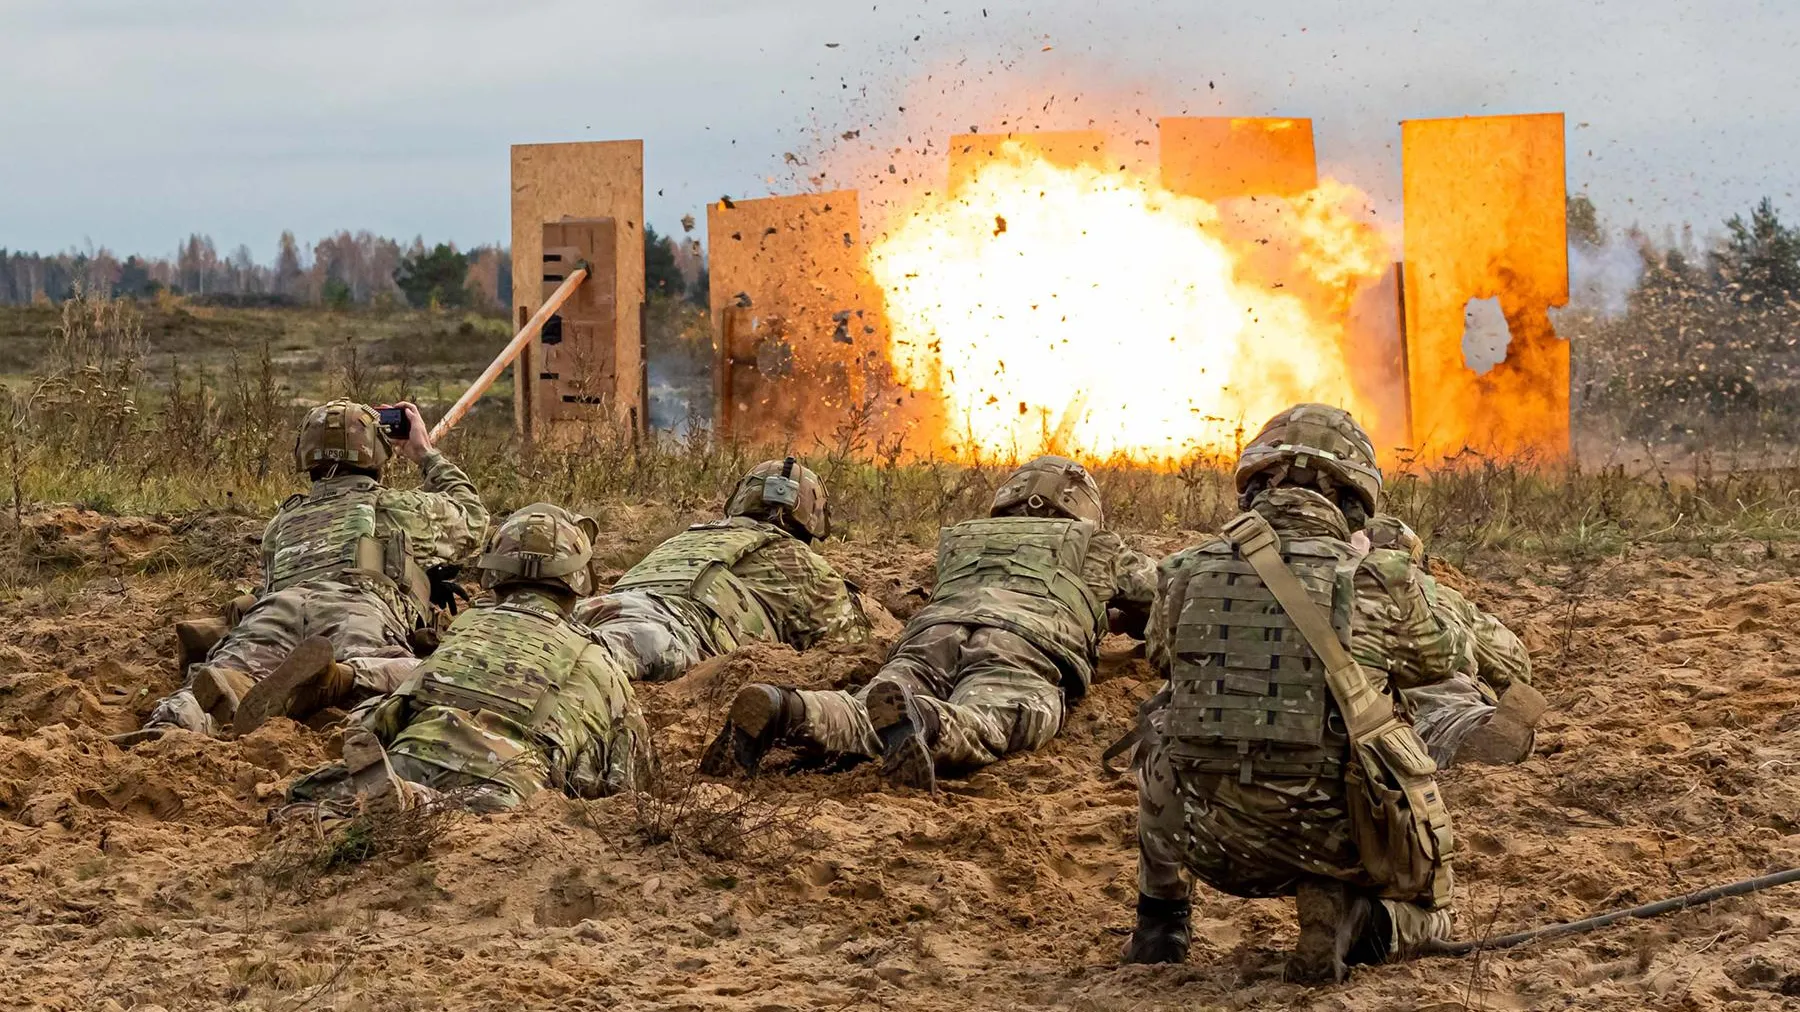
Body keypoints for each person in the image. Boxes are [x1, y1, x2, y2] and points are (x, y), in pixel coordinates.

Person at [1125, 404, 1465, 984]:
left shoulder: (1183, 570)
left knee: (1159, 725)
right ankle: (1361, 923)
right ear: (1355, 499)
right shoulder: (1378, 578)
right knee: (1433, 909)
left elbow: (1161, 655)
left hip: (1207, 844)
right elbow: (1445, 658)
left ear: (1254, 484)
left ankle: (1161, 920)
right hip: (1337, 840)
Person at [701, 454, 1158, 792]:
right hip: (1024, 644)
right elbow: (1166, 602)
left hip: (933, 631)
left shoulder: (962, 538)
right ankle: (923, 720)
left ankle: (790, 709)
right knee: (994, 719)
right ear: (1080, 506)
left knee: (868, 706)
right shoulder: (1097, 543)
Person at [116, 400, 487, 745]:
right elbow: (473, 519)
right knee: (409, 675)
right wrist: (423, 453)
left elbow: (268, 580)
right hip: (357, 608)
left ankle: (179, 717)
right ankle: (339, 681)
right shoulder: (391, 506)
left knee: (227, 667)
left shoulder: (283, 520)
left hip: (277, 608)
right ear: (377, 451)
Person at [285, 503, 647, 813]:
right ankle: (419, 804)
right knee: (484, 808)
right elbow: (624, 779)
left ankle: (405, 797)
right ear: (580, 580)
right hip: (509, 783)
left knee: (306, 795)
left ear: (495, 574)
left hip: (413, 754)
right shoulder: (600, 661)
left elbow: (385, 718)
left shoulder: (465, 631)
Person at [573, 457, 873, 682]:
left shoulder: (689, 536)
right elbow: (850, 653)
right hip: (668, 632)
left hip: (599, 608)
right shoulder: (806, 565)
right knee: (590, 667)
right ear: (813, 517)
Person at [1363, 515, 1545, 766]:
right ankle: (1470, 727)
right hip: (1436, 692)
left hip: (1357, 697)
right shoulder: (1441, 597)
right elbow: (1513, 662)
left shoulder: (1332, 588)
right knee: (1444, 702)